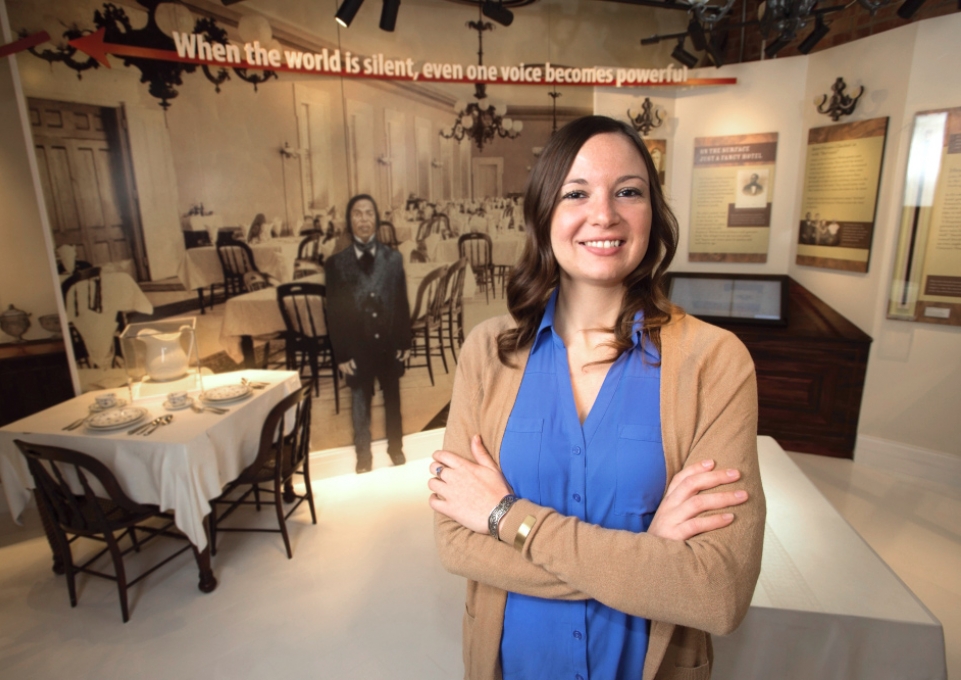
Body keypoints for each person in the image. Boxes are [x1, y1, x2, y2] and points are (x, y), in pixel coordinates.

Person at [428, 116, 765, 680]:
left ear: (651, 211)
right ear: (544, 214)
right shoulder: (487, 352)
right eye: (576, 193)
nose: (603, 214)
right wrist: (648, 559)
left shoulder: (715, 362)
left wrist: (507, 517)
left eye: (627, 192)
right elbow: (455, 542)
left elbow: (717, 593)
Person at [325, 194, 412, 474]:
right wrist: (341, 354)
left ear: (376, 218)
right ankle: (363, 457)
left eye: (368, 213)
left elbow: (401, 302)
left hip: (387, 344)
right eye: (357, 214)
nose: (364, 219)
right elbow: (334, 315)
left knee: (392, 400)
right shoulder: (337, 265)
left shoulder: (393, 259)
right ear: (350, 222)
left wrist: (404, 341)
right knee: (360, 403)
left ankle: (395, 448)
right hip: (356, 346)